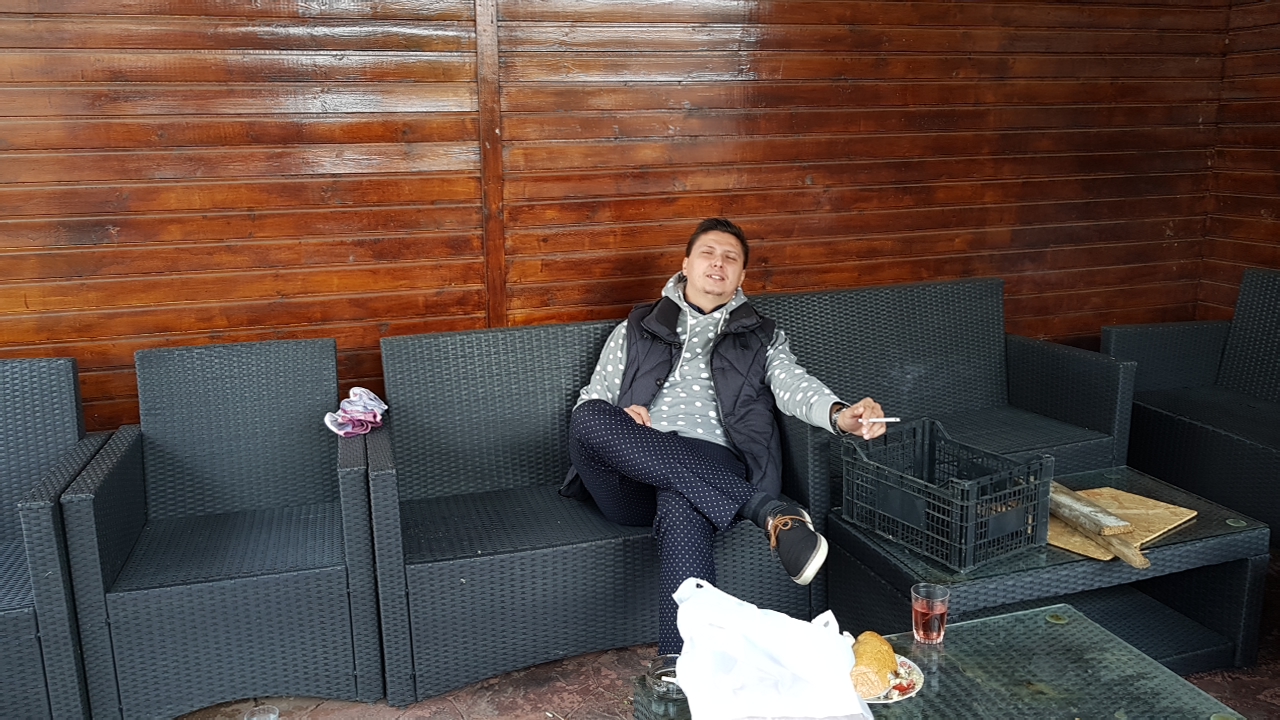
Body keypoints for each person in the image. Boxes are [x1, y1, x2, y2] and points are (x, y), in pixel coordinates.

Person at [564, 217, 887, 659]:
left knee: (682, 503)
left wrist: (838, 414)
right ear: (685, 265)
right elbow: (593, 398)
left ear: (741, 276)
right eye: (708, 253)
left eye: (730, 258)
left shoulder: (763, 338)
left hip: (711, 461)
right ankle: (767, 512)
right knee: (588, 417)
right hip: (632, 470)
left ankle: (679, 667)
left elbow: (794, 385)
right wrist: (621, 416)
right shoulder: (635, 328)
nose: (718, 263)